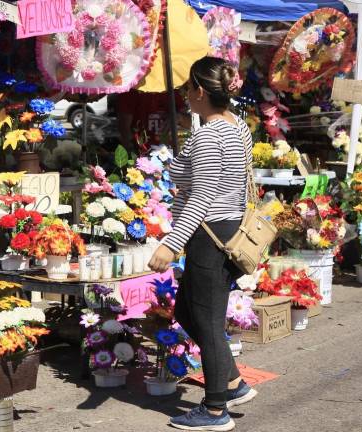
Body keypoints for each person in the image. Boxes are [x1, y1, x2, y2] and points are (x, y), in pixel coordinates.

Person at [149, 57, 257, 432]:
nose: (184, 95)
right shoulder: (234, 125)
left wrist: (170, 244)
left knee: (208, 323)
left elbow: (201, 196)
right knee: (187, 313)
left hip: (209, 235)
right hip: (225, 230)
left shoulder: (210, 135)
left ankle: (214, 411)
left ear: (199, 91)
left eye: (187, 88)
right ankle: (232, 384)